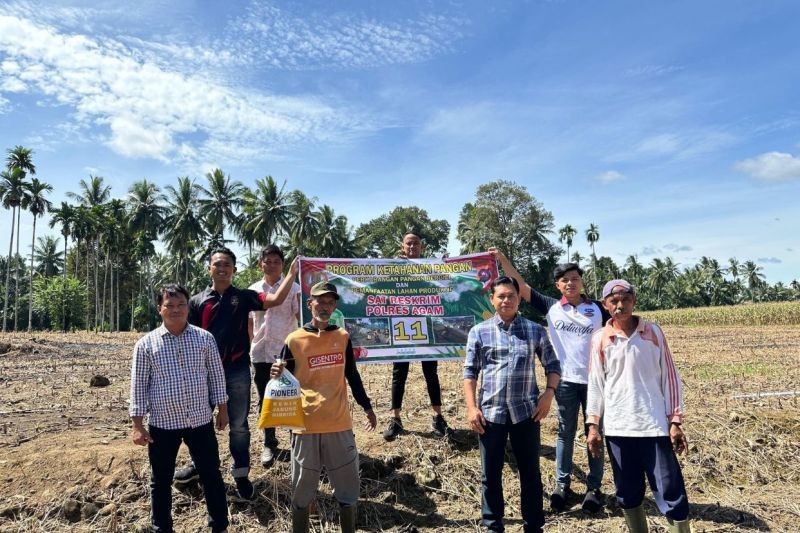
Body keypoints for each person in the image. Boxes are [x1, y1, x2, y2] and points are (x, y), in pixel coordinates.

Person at [173, 246, 298, 502]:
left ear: (234, 269)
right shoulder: (197, 302)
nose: (222, 268)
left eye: (227, 265)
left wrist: (293, 273)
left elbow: (273, 301)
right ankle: (200, 468)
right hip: (203, 371)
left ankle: (241, 475)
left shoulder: (244, 297)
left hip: (237, 369)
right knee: (198, 424)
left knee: (239, 426)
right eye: (217, 264)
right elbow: (188, 336)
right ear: (209, 268)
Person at [490, 248, 610, 512]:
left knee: (595, 433)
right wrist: (501, 258)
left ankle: (594, 487)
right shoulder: (552, 307)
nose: (570, 283)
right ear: (558, 285)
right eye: (564, 280)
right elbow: (520, 287)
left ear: (582, 282)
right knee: (565, 434)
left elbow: (622, 323)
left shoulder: (599, 309)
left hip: (595, 382)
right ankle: (562, 485)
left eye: (574, 278)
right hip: (565, 381)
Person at [271, 281, 377, 533]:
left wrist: (367, 406)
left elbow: (352, 375)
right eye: (320, 301)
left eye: (330, 302)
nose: (325, 307)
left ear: (335, 307)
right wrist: (275, 373)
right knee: (302, 488)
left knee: (347, 487)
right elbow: (280, 378)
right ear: (310, 305)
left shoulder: (342, 337)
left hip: (338, 423)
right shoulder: (294, 339)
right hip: (305, 426)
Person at [587, 280, 691, 533]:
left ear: (634, 301)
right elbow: (595, 383)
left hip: (653, 426)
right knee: (628, 492)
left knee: (671, 491)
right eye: (614, 301)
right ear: (605, 305)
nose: (620, 305)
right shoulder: (600, 338)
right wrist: (592, 426)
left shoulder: (653, 332)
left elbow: (670, 377)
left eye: (625, 299)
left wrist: (675, 420)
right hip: (618, 428)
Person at [463, 276, 561, 533]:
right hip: (490, 414)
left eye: (512, 296)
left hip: (526, 414)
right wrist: (472, 408)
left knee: (530, 473)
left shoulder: (535, 330)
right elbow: (470, 374)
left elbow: (553, 366)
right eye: (501, 296)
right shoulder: (479, 332)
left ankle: (533, 525)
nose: (506, 300)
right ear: (492, 299)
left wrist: (549, 394)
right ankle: (493, 525)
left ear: (519, 299)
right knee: (490, 474)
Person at [129, 284, 229, 533]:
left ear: (188, 307)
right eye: (169, 305)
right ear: (159, 309)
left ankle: (219, 525)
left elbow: (216, 376)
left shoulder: (204, 338)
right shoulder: (146, 345)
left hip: (200, 420)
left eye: (181, 305)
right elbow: (139, 385)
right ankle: (161, 528)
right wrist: (137, 425)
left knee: (211, 475)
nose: (176, 310)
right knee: (160, 480)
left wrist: (223, 409)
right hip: (163, 424)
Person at [383, 231, 451, 441]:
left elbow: (446, 284)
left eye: (416, 244)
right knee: (398, 374)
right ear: (403, 246)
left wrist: (447, 266)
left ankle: (438, 418)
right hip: (401, 326)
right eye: (408, 244)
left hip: (427, 327)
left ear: (422, 247)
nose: (412, 247)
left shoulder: (432, 267)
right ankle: (395, 419)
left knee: (431, 372)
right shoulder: (394, 268)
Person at [249, 244, 301, 468]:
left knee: (290, 396)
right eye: (267, 261)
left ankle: (296, 442)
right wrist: (251, 343)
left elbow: (300, 315)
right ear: (260, 263)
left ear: (283, 264)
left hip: (286, 352)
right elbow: (251, 322)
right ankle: (269, 442)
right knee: (265, 399)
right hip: (260, 353)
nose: (271, 265)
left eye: (276, 262)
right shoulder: (252, 290)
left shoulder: (295, 288)